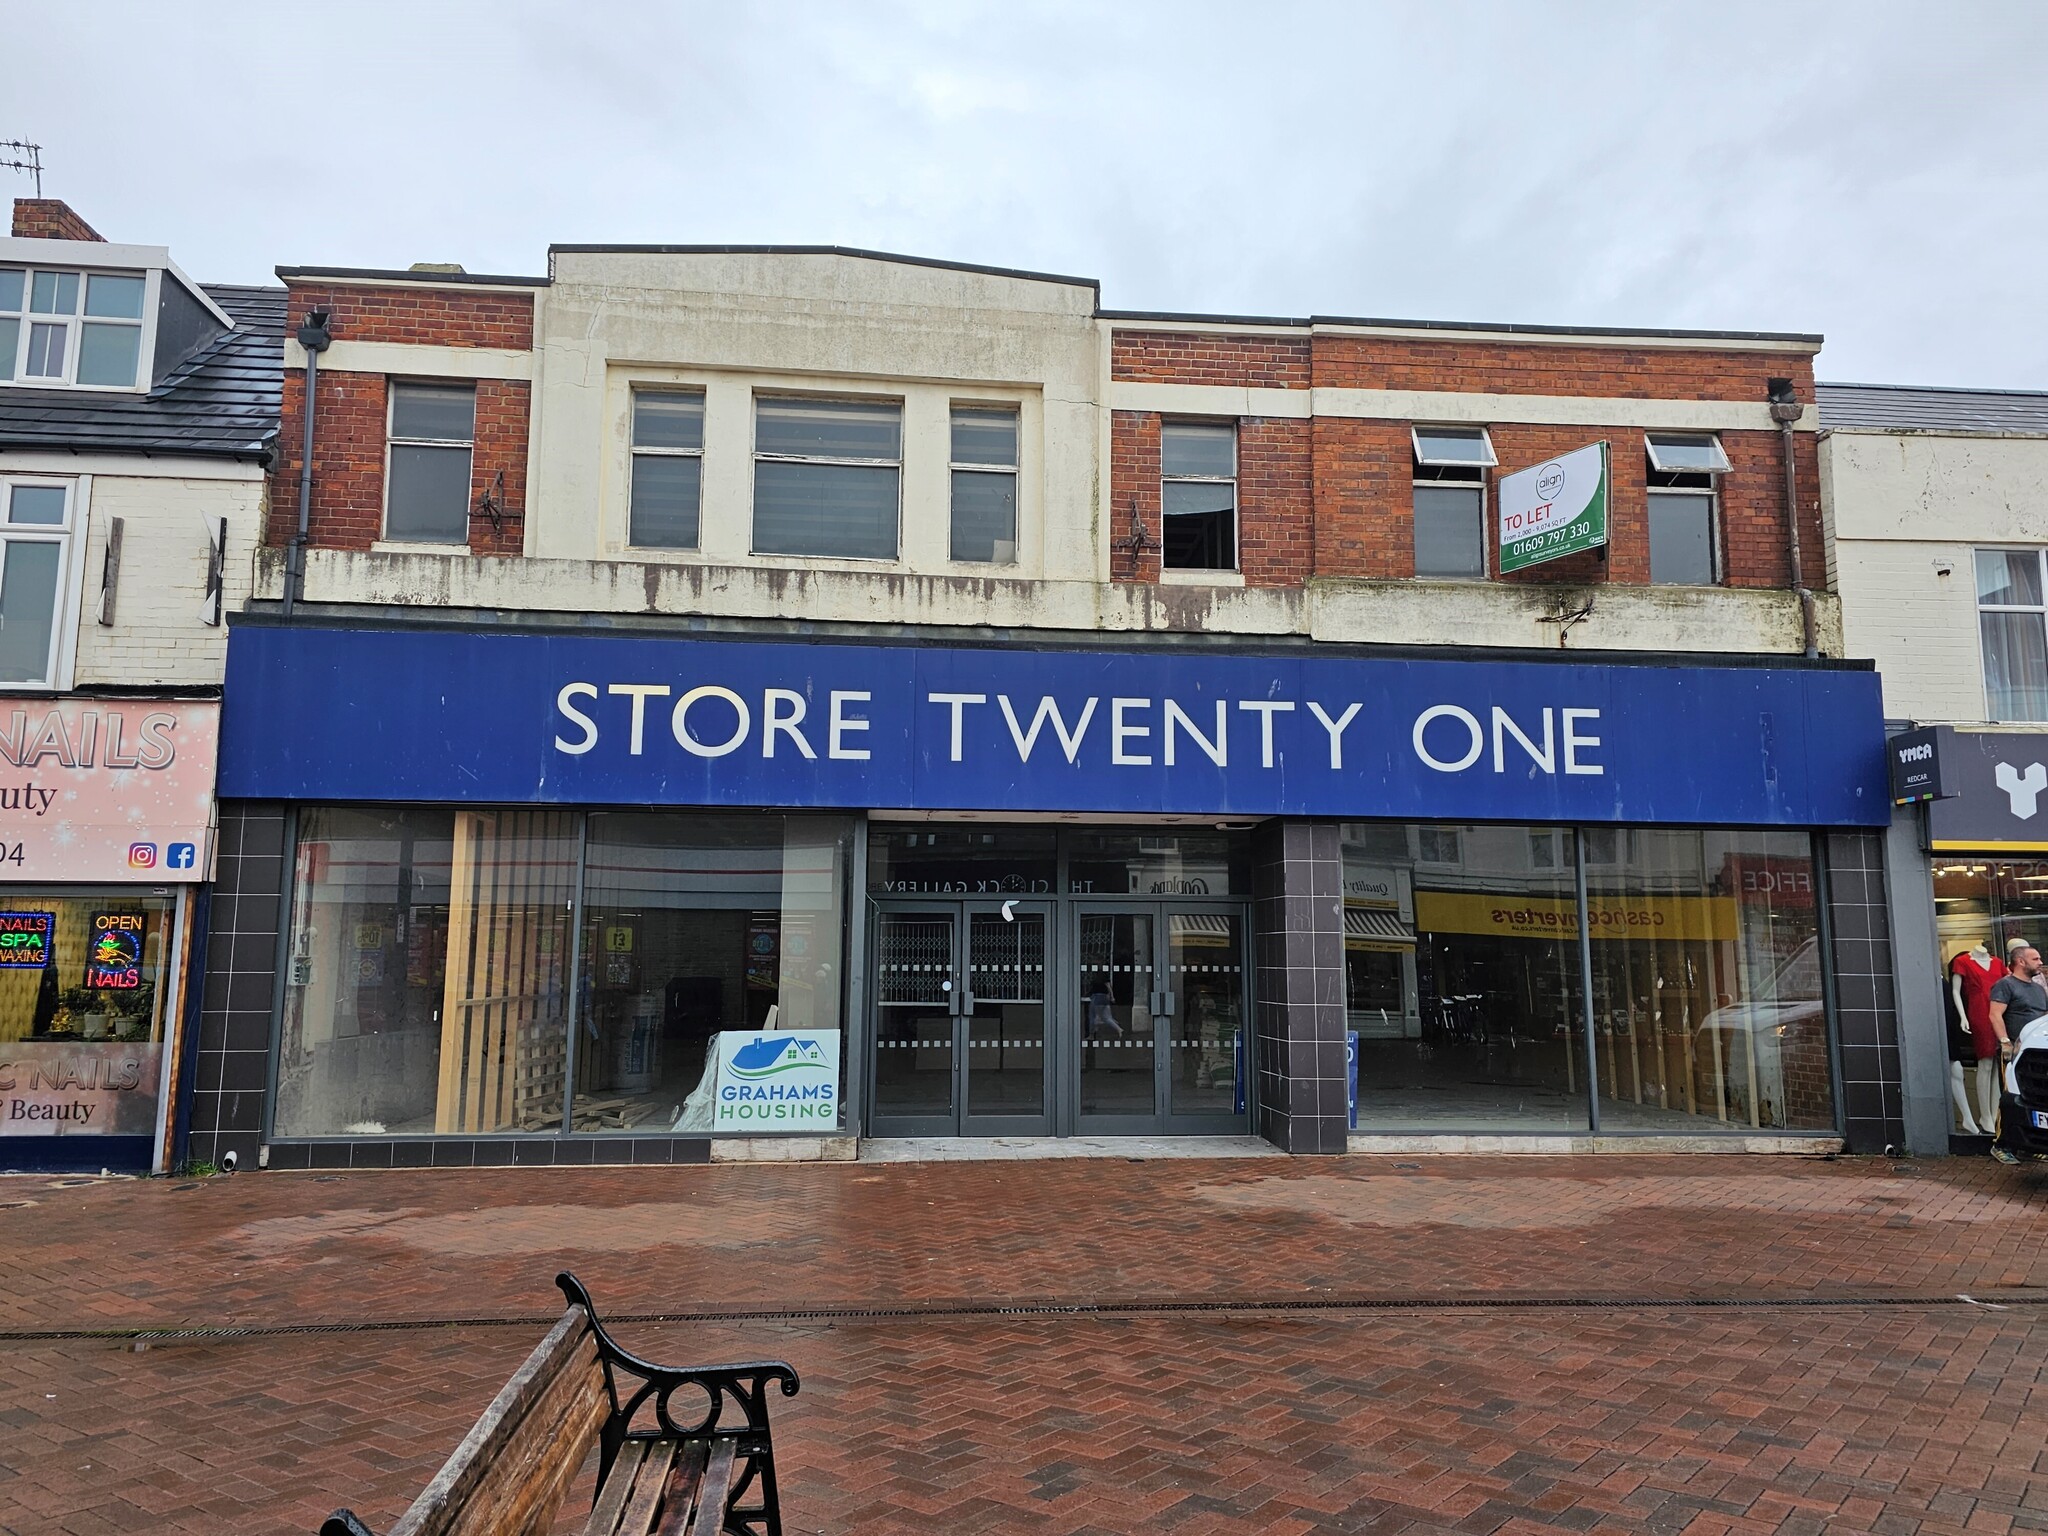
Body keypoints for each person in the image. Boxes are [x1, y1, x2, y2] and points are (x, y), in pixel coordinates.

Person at [1988, 944, 2048, 1164]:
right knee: (2009, 1097)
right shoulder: (2005, 985)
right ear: (2021, 961)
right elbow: (1995, 1015)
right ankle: (2001, 1145)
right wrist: (2005, 1042)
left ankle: (2032, 1145)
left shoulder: (2039, 988)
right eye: (2035, 959)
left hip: (2038, 1053)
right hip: (2015, 1052)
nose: (2040, 962)